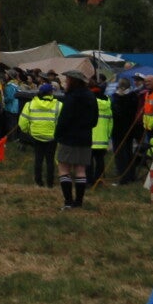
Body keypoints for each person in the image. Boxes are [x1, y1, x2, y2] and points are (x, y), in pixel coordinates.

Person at [54, 76, 99, 210]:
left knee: (64, 169)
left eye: (67, 80)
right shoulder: (91, 96)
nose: (65, 82)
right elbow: (94, 120)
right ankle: (78, 202)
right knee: (80, 170)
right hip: (85, 137)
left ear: (73, 82)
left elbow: (64, 119)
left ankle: (68, 201)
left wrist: (58, 134)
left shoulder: (71, 97)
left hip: (68, 137)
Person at [18, 84, 61, 189]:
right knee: (50, 160)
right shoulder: (59, 105)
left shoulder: (30, 104)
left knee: (38, 159)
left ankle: (38, 181)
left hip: (36, 136)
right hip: (52, 137)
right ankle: (50, 182)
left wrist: (28, 130)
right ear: (51, 92)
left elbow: (22, 122)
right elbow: (61, 123)